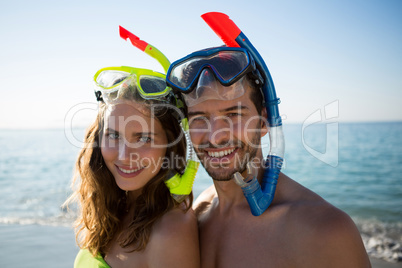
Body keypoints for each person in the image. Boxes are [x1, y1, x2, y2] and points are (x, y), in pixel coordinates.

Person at [166, 46, 371, 267]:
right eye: (199, 118)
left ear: (265, 121)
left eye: (233, 114)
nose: (215, 136)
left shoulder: (324, 230)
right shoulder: (200, 210)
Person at [66, 62, 200, 267]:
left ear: (170, 144)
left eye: (144, 138)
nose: (124, 155)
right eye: (113, 135)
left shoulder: (171, 230)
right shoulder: (112, 208)